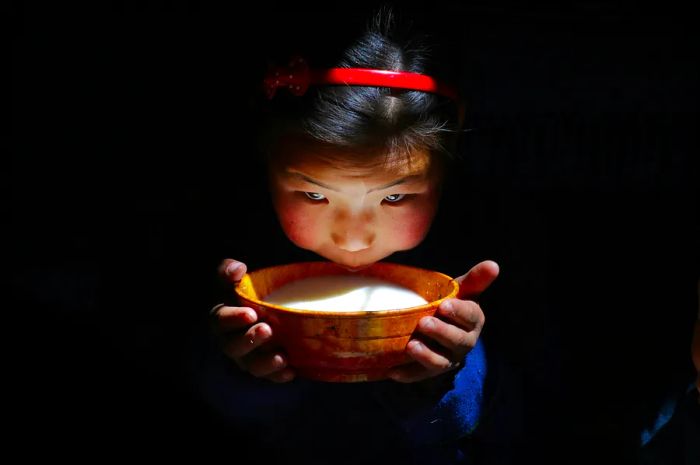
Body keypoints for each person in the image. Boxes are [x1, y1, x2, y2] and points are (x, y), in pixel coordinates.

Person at [186, 6, 507, 464]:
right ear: (266, 163)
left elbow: (533, 425)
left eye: (395, 198)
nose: (353, 241)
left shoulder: (488, 250)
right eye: (314, 195)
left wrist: (451, 372)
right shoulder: (231, 252)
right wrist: (238, 366)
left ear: (447, 161)